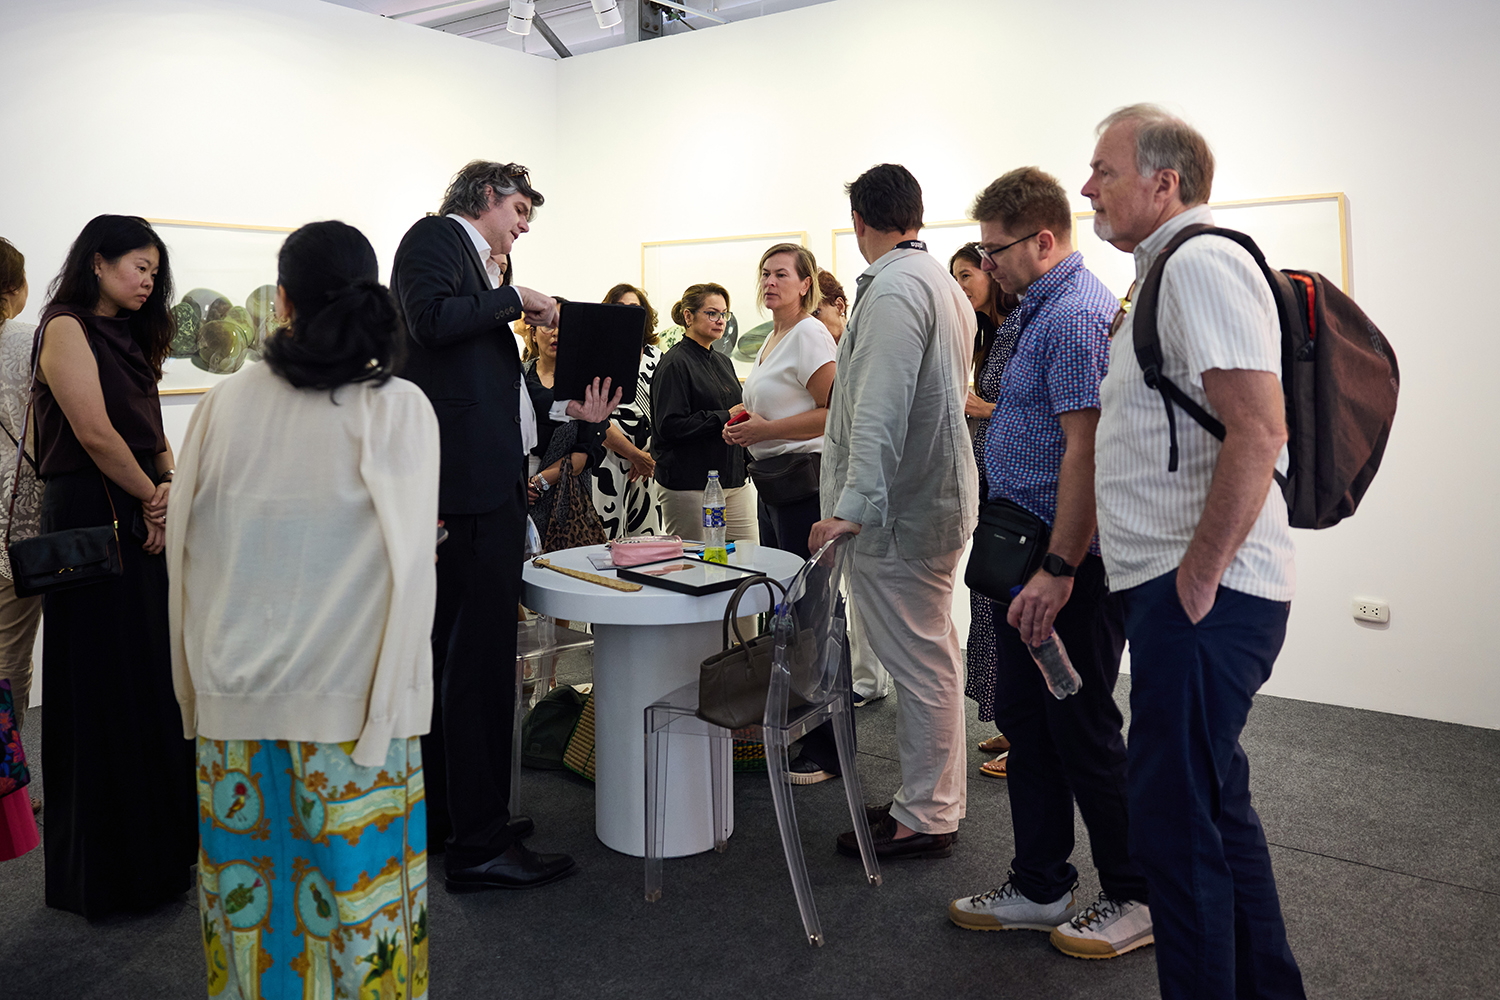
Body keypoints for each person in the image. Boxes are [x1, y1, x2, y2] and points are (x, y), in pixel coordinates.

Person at [166, 221, 438, 999]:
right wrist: (396, 706)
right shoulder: (396, 407)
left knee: (250, 938)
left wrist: (191, 695)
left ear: (281, 301)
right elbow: (413, 569)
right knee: (365, 935)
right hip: (356, 712)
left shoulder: (222, 403)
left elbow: (184, 549)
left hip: (233, 704)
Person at [1086, 105, 1305, 999]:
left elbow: (1258, 430)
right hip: (1182, 592)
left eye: (1104, 170)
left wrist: (1200, 574)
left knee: (1175, 829)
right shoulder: (1163, 271)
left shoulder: (1200, 263)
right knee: (1210, 807)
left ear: (1163, 182)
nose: (1088, 186)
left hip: (1204, 597)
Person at [392, 160, 618, 893]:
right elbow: (429, 322)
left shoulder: (485, 272)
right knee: (478, 666)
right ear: (486, 197)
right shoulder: (435, 239)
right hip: (467, 491)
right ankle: (479, 843)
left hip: (484, 488)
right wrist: (515, 298)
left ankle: (458, 818)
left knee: (467, 662)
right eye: (520, 210)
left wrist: (566, 412)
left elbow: (496, 391)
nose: (523, 226)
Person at [947, 167, 1152, 960]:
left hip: (1064, 568)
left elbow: (1086, 450)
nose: (986, 264)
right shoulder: (1039, 306)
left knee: (1083, 728)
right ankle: (1040, 884)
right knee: (1028, 724)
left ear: (1041, 240)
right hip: (1025, 555)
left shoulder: (1073, 316)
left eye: (995, 251)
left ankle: (1137, 894)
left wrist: (1059, 569)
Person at [32, 214, 197, 917]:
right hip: (90, 514)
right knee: (100, 686)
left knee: (149, 680)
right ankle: (105, 875)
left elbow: (152, 433)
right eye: (138, 266)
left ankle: (158, 860)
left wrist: (167, 488)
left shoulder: (134, 335)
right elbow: (94, 432)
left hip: (138, 511)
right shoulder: (65, 326)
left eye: (155, 271)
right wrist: (152, 498)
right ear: (96, 263)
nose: (149, 280)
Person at [811, 163, 977, 860]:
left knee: (919, 665)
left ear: (859, 222)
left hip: (900, 517)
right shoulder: (939, 281)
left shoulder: (893, 289)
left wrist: (851, 508)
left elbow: (880, 407)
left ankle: (927, 815)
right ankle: (929, 800)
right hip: (927, 502)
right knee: (931, 657)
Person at [724, 243, 841, 783]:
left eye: (781, 275)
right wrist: (745, 417)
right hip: (773, 485)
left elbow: (834, 412)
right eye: (765, 274)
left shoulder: (810, 333)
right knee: (788, 613)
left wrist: (767, 429)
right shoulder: (774, 337)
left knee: (813, 615)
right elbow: (785, 403)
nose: (770, 282)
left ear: (805, 283)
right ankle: (802, 732)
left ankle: (829, 749)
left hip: (803, 487)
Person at [950, 242, 1019, 777]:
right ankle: (1013, 721)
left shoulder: (1017, 326)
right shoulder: (985, 332)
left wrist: (983, 407)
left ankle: (1027, 736)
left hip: (1016, 496)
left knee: (1011, 609)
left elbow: (1046, 412)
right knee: (990, 605)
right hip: (991, 489)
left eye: (967, 274)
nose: (961, 285)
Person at [812, 269, 894, 709]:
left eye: (817, 310)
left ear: (839, 306)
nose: (813, 320)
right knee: (846, 579)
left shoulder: (860, 343)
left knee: (865, 580)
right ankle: (865, 674)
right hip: (838, 473)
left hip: (866, 482)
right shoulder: (831, 346)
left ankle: (870, 676)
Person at [650, 283, 757, 544]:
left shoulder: (723, 361)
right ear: (688, 316)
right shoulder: (674, 363)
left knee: (748, 555)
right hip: (690, 484)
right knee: (694, 560)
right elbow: (670, 426)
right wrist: (725, 416)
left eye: (724, 314)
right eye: (712, 313)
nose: (721, 320)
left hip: (733, 480)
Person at [0, 240, 43, 747]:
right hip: (25, 512)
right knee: (12, 656)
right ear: (14, 287)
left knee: (6, 648)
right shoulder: (31, 340)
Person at [519, 306, 609, 547]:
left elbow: (587, 451)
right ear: (533, 333)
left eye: (564, 327)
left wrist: (537, 483)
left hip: (567, 497)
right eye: (548, 326)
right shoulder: (518, 377)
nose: (556, 333)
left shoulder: (590, 385)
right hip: (516, 492)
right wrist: (517, 486)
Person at [594, 283, 661, 538]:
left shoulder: (658, 357)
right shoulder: (596, 354)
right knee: (606, 536)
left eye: (634, 308)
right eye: (620, 307)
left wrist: (646, 455)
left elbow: (665, 414)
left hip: (648, 463)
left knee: (647, 537)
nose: (627, 313)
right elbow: (594, 418)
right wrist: (633, 454)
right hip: (606, 457)